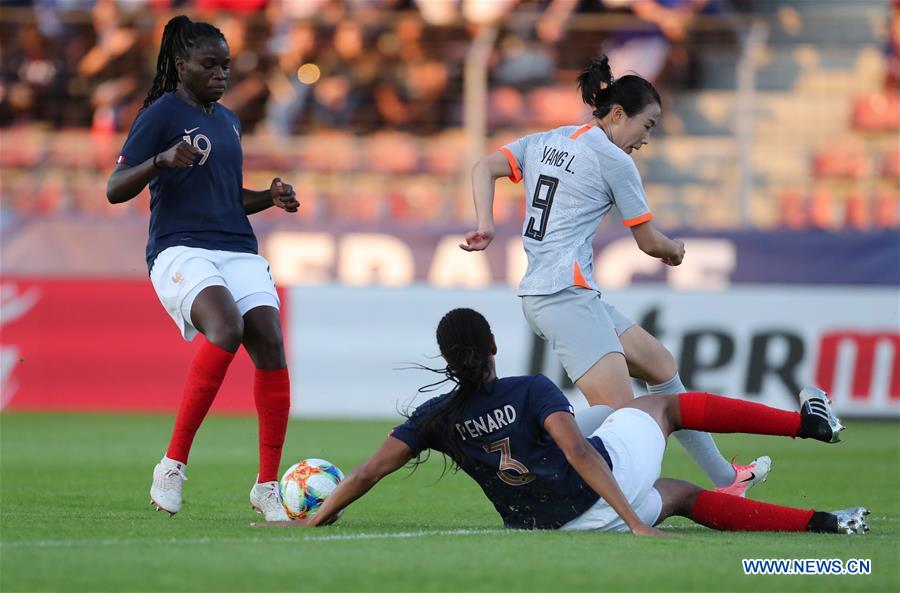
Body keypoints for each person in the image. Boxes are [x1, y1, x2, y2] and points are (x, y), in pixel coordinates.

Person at [269, 308, 867, 536]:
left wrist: (319, 517)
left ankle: (826, 524)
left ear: (447, 359)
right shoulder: (530, 388)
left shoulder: (434, 417)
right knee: (662, 405)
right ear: (493, 345)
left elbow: (367, 473)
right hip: (603, 499)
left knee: (681, 495)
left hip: (550, 527)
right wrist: (633, 524)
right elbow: (580, 453)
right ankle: (806, 423)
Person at [459, 54, 766, 497]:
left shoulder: (548, 139)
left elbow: (483, 167)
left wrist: (486, 224)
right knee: (626, 419)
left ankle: (727, 480)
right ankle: (517, 450)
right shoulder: (614, 162)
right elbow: (650, 242)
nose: (647, 138)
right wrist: (675, 250)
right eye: (647, 125)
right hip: (564, 296)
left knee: (659, 364)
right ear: (618, 114)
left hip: (563, 293)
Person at [106, 15, 299, 521]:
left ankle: (267, 486)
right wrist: (160, 161)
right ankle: (171, 466)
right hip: (179, 248)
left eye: (226, 66)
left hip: (236, 246)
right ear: (180, 65)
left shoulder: (228, 120)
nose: (221, 74)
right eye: (209, 65)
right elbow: (114, 188)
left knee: (270, 342)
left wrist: (269, 197)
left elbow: (227, 198)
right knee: (227, 327)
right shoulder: (161, 114)